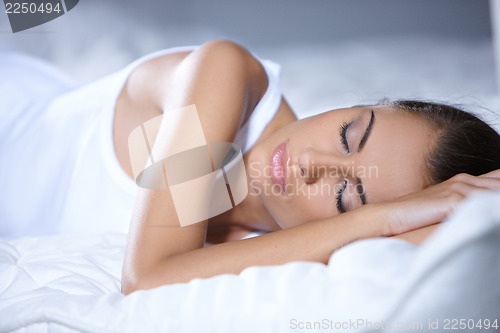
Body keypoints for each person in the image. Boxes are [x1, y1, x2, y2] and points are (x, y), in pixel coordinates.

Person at [1, 41, 499, 294]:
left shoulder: (285, 250)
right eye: (348, 134)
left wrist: (402, 221)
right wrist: (377, 214)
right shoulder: (226, 72)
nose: (309, 163)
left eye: (347, 195)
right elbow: (148, 276)